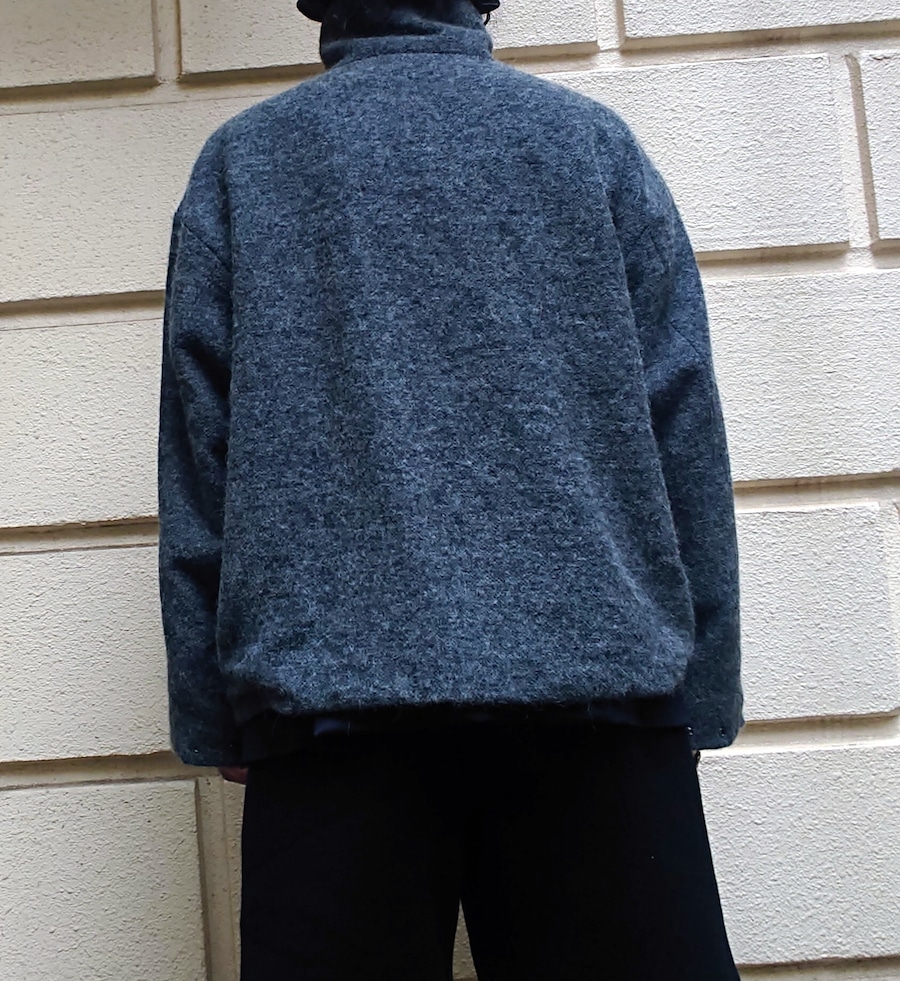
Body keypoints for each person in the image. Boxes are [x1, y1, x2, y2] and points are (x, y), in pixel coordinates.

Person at [156, 0, 745, 977]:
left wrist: (213, 711)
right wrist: (706, 692)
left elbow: (197, 463)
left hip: (330, 727)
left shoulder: (244, 164)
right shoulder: (589, 146)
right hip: (597, 711)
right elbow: (685, 428)